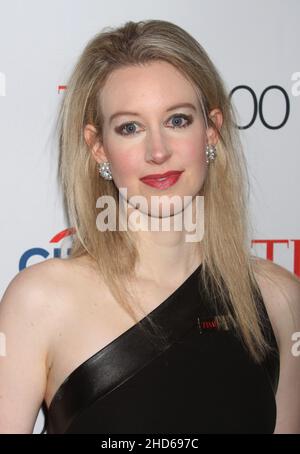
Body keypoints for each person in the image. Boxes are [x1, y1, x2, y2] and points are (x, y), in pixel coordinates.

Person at [0, 19, 299, 435]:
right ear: (98, 146)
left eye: (177, 120)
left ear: (212, 130)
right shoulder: (39, 302)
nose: (158, 151)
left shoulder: (279, 299)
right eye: (130, 127)